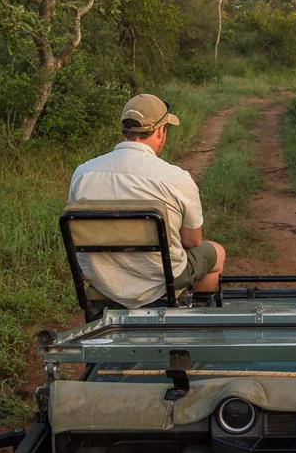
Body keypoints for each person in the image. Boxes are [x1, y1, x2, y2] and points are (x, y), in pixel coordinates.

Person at [67, 93, 225, 307]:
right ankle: (197, 315)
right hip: (163, 281)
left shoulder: (83, 173)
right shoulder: (177, 179)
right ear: (160, 132)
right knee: (216, 253)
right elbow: (192, 242)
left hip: (103, 281)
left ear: (124, 130)